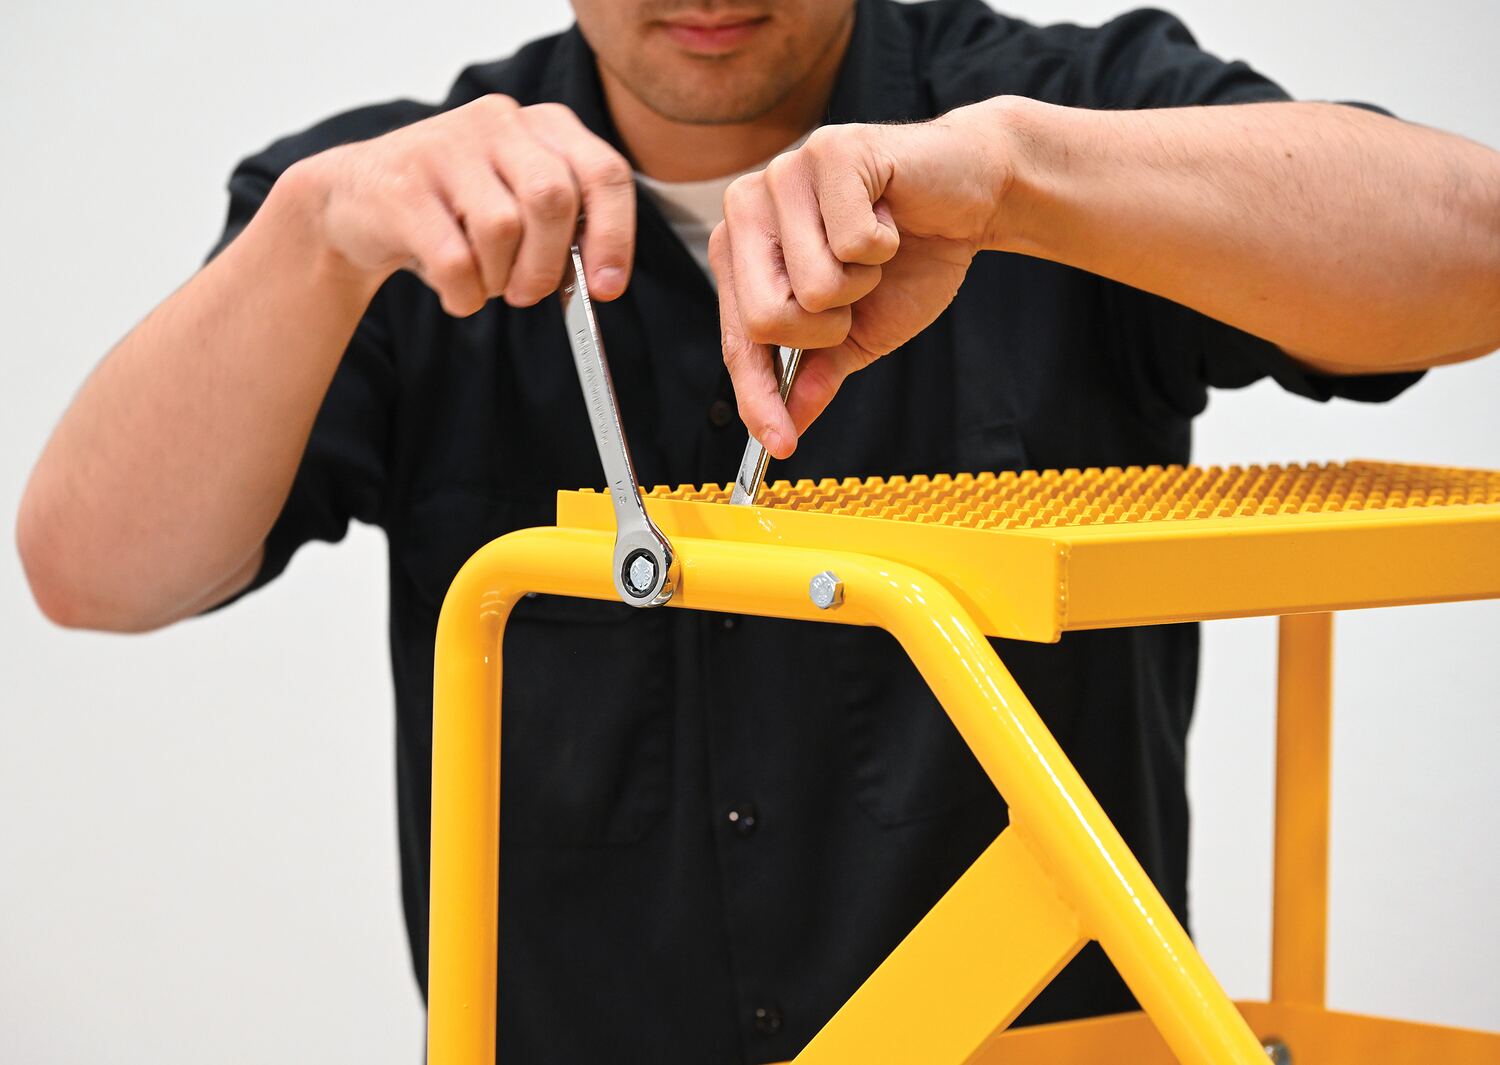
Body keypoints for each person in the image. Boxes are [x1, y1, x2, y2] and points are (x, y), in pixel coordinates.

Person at [17, 0, 1500, 1060]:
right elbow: (90, 569)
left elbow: (1474, 250)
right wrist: (305, 241)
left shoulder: (1063, 114)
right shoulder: (390, 215)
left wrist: (1026, 183)